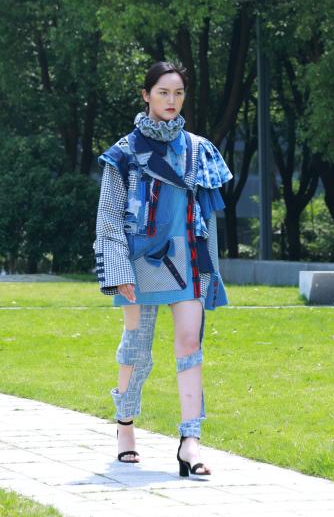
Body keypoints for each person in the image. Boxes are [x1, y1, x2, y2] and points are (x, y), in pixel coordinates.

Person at [94, 61, 232, 477]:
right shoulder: (123, 153)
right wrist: (118, 271)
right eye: (163, 92)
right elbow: (108, 218)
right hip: (138, 262)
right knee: (137, 349)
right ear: (146, 95)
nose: (172, 101)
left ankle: (191, 441)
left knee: (190, 344)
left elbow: (207, 217)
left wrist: (210, 272)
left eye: (179, 93)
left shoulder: (198, 149)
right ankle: (125, 426)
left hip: (188, 259)